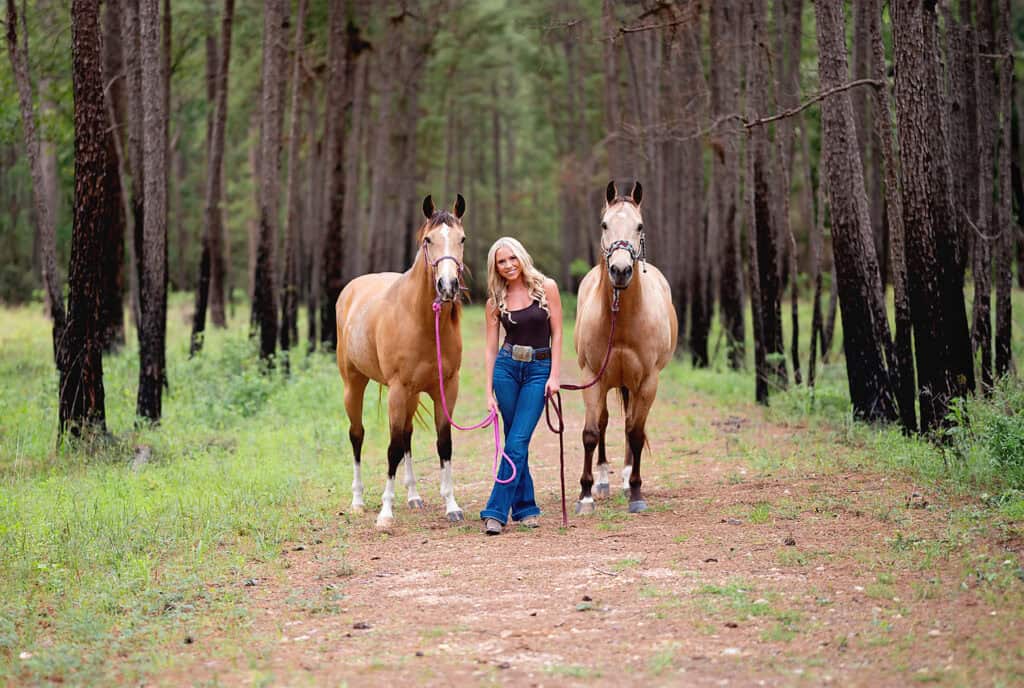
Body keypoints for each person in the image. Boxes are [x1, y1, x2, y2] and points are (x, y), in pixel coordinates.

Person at [480, 237, 563, 535]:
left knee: (516, 442)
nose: (508, 265)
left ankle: (496, 511)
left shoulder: (547, 288)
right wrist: (488, 390)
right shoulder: (495, 301)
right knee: (517, 442)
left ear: (522, 257)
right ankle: (526, 507)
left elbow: (558, 334)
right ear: (496, 267)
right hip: (506, 370)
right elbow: (490, 349)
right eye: (501, 262)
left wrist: (554, 376)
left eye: (512, 258)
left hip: (539, 370)